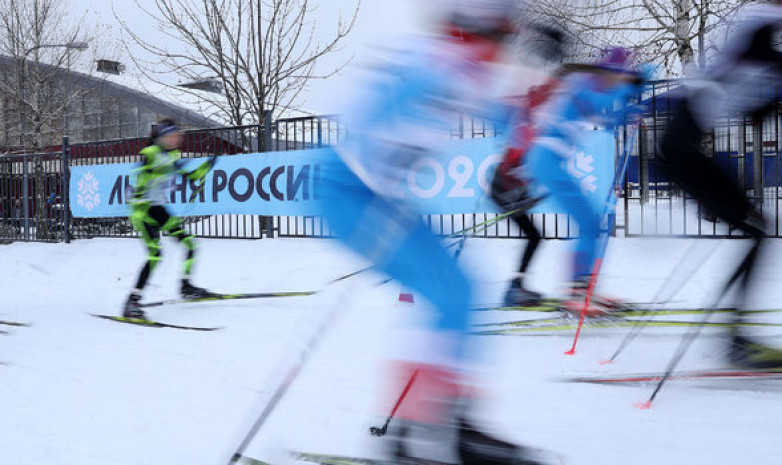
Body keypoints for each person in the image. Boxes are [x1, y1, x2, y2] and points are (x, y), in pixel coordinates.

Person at [318, 2, 553, 464]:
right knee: (450, 292)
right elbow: (352, 116)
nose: (505, 49)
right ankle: (425, 431)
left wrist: (517, 158)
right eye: (502, 36)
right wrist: (387, 155)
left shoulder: (464, 70)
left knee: (461, 292)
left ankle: (429, 427)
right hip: (349, 195)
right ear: (470, 31)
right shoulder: (432, 63)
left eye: (509, 38)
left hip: (383, 200)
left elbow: (510, 116)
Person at [656, 1, 782, 369]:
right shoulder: (760, 19)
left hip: (685, 151)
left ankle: (736, 337)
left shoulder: (757, 38)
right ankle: (735, 341)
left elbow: (747, 99)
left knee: (756, 228)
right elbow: (760, 52)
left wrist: (770, 102)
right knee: (757, 229)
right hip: (681, 152)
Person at [522, 47, 644, 315]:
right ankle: (577, 292)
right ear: (607, 71)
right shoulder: (582, 86)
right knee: (589, 223)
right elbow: (597, 104)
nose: (618, 80)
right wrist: (629, 91)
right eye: (618, 75)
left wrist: (631, 111)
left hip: (549, 162)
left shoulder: (592, 88)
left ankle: (583, 289)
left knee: (590, 223)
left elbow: (607, 120)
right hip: (546, 161)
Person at [122, 119, 216, 320]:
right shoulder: (150, 153)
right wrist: (151, 172)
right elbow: (139, 173)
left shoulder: (172, 155)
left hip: (158, 209)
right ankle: (132, 302)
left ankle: (186, 286)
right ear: (162, 138)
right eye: (172, 136)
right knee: (155, 255)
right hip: (143, 210)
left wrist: (206, 168)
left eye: (178, 135)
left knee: (190, 244)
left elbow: (190, 177)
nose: (177, 139)